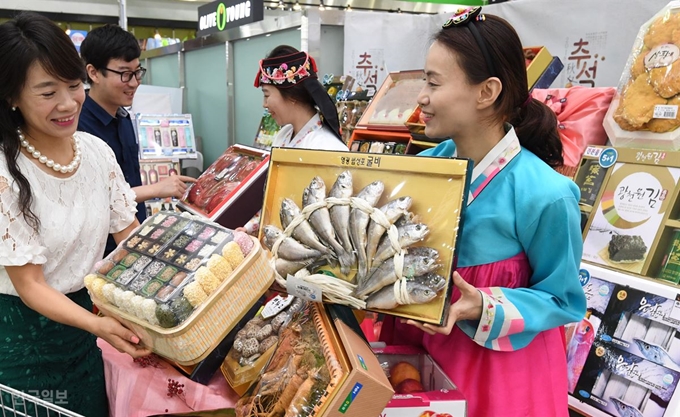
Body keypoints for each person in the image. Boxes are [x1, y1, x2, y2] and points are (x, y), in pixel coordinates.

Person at [379, 8, 586, 417]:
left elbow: (563, 299)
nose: (421, 96)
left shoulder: (547, 194)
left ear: (486, 92)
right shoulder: (424, 170)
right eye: (424, 79)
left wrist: (482, 305)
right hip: (417, 360)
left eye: (433, 82)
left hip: (498, 377)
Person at [0, 13, 151, 415]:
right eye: (47, 93)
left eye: (73, 86)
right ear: (12, 96)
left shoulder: (96, 153)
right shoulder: (5, 170)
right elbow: (30, 285)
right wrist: (98, 324)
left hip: (85, 331)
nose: (68, 104)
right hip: (22, 340)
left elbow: (131, 237)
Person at [79, 24, 195, 255]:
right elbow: (92, 200)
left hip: (132, 237)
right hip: (100, 250)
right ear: (93, 73)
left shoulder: (123, 117)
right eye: (124, 74)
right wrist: (156, 189)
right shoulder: (79, 126)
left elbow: (125, 183)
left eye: (137, 72)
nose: (133, 82)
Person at [254, 45, 349, 151]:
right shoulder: (284, 135)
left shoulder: (327, 146)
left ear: (292, 96)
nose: (264, 104)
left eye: (267, 95)